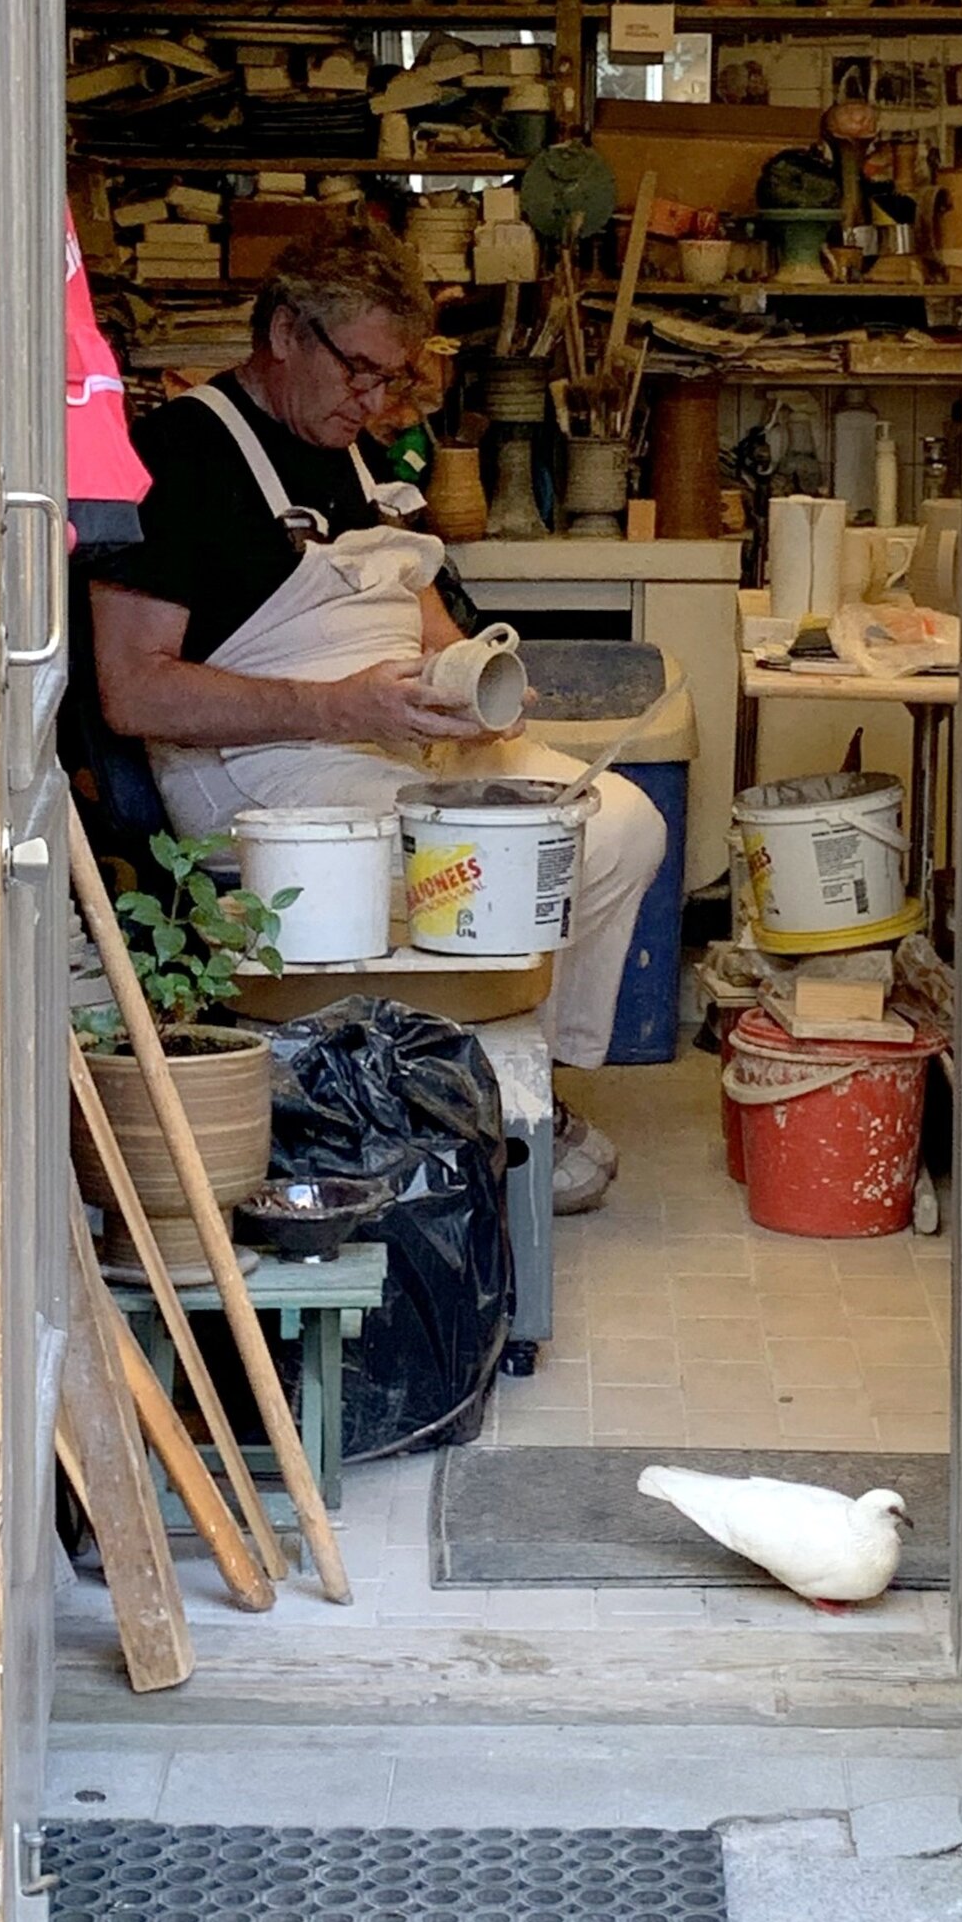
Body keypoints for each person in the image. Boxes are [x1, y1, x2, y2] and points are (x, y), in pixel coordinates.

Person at [87, 223, 662, 1210]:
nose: (374, 401)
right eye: (359, 370)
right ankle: (459, 1106)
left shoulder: (357, 460)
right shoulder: (181, 455)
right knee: (497, 856)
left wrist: (473, 684)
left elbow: (430, 624)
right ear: (284, 332)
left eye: (393, 379)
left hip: (391, 735)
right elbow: (132, 691)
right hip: (261, 770)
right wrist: (336, 704)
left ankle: (511, 1081)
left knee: (619, 824)